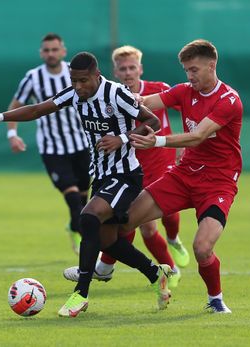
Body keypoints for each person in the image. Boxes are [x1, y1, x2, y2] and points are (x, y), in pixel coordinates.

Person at [0, 52, 174, 318]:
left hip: (125, 175)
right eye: (74, 81)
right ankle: (154, 273)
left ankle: (81, 293)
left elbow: (153, 121)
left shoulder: (117, 94)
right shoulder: (73, 94)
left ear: (96, 76)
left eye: (83, 81)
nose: (78, 86)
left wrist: (122, 138)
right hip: (101, 176)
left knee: (88, 218)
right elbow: (36, 109)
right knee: (108, 241)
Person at [122, 39, 243, 313]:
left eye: (194, 70)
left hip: (218, 182)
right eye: (186, 71)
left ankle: (215, 299)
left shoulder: (229, 100)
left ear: (211, 66)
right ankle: (109, 270)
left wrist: (158, 142)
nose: (189, 76)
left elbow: (198, 136)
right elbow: (146, 103)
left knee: (201, 248)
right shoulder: (184, 91)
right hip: (184, 175)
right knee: (125, 220)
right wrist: (119, 100)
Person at [63, 45, 189, 288]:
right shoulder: (111, 94)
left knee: (169, 217)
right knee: (141, 226)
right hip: (132, 164)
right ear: (115, 72)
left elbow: (186, 108)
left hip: (161, 161)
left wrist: (184, 142)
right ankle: (168, 272)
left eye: (133, 67)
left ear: (140, 69)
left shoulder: (157, 90)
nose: (129, 72)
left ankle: (173, 240)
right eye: (123, 68)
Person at [6, 33, 91, 255]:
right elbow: (16, 105)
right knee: (73, 199)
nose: (50, 54)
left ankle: (74, 227)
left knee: (84, 199)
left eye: (55, 49)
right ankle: (88, 248)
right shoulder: (33, 77)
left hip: (82, 144)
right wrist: (12, 134)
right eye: (46, 50)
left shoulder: (76, 73)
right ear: (41, 53)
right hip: (52, 149)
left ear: (63, 51)